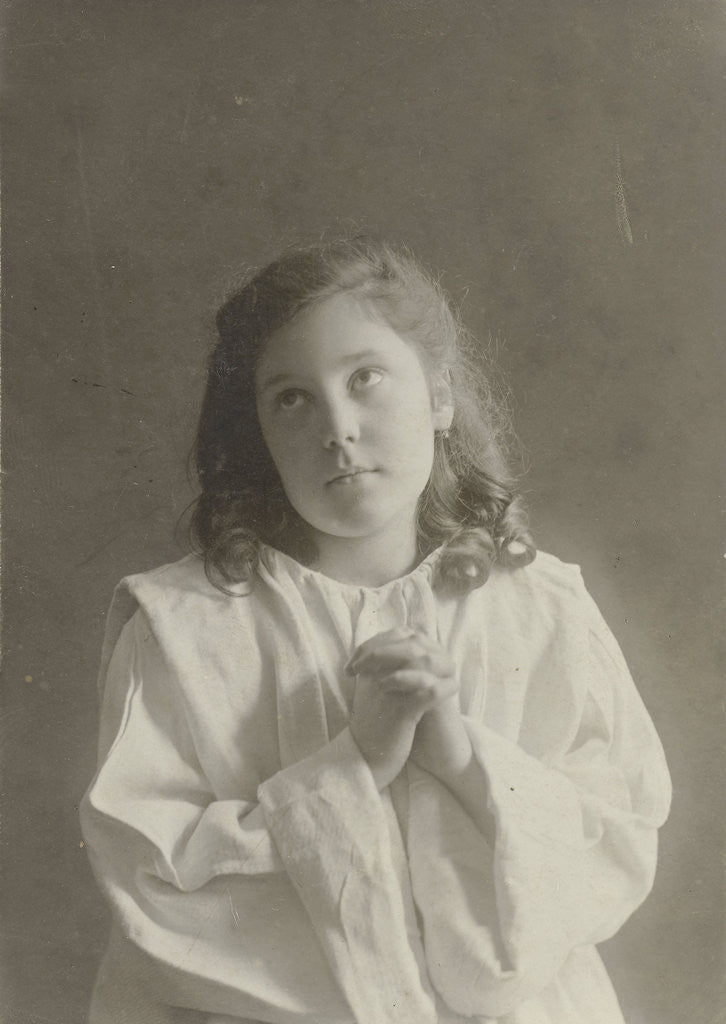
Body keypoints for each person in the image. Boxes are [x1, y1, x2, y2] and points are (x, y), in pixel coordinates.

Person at [80, 237, 671, 1024]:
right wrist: (355, 764)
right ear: (258, 433)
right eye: (292, 398)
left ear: (439, 396)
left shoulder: (541, 609)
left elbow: (613, 844)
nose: (338, 428)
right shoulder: (185, 628)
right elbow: (155, 886)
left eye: (366, 378)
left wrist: (459, 758)